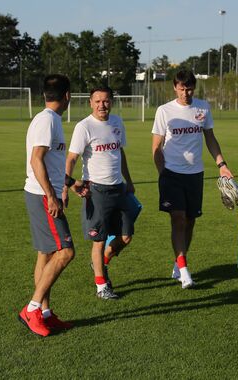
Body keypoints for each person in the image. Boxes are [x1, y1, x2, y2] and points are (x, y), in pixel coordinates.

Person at [152, 70, 235, 289]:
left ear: (194, 88)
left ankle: (178, 264)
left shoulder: (202, 107)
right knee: (178, 218)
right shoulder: (165, 111)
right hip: (171, 174)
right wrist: (163, 174)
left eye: (189, 88)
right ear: (174, 87)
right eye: (181, 88)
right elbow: (156, 147)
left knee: (190, 221)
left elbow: (210, 138)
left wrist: (221, 164)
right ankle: (185, 269)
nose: (186, 93)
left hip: (195, 174)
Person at [19, 74, 87, 337]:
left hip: (41, 193)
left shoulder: (50, 120)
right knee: (66, 252)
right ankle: (32, 309)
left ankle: (45, 314)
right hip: (41, 195)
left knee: (45, 254)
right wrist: (50, 196)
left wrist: (70, 182)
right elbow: (37, 160)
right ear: (67, 95)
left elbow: (51, 163)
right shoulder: (47, 121)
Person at [66, 86, 135, 300]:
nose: (101, 105)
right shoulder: (84, 126)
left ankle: (101, 262)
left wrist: (129, 180)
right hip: (96, 190)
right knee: (99, 240)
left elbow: (119, 152)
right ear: (90, 103)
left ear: (111, 102)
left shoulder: (117, 122)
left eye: (105, 101)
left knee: (126, 236)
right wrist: (66, 186)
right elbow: (71, 158)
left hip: (119, 188)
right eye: (97, 101)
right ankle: (101, 286)